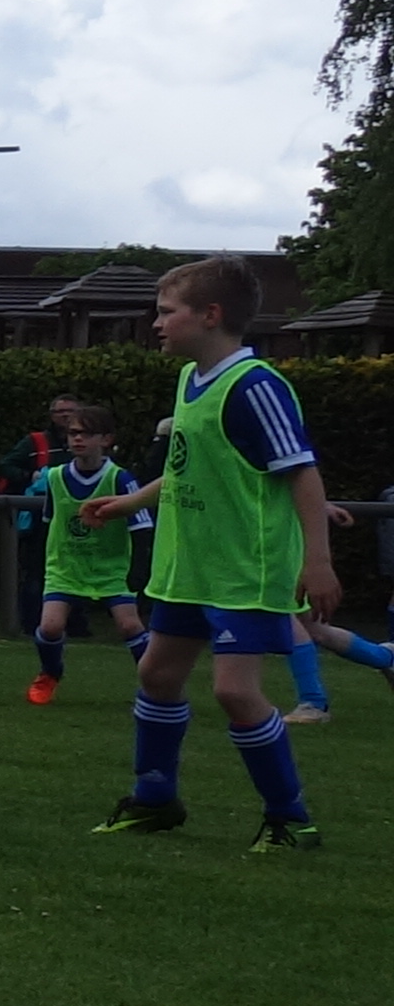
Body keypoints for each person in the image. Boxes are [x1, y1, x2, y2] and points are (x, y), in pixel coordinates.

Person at [95, 258, 340, 846]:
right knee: (157, 673)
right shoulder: (190, 379)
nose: (157, 324)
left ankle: (291, 818)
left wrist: (318, 560)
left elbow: (301, 472)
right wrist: (131, 503)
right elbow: (191, 468)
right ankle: (156, 799)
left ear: (210, 315)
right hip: (190, 565)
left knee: (233, 689)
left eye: (166, 312)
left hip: (244, 569)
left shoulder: (255, 386)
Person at [19, 394, 151, 707]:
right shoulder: (56, 477)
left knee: (129, 625)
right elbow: (50, 520)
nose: (77, 439)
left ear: (106, 440)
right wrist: (39, 561)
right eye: (73, 433)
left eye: (86, 433)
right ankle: (50, 672)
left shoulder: (120, 479)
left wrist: (139, 570)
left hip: (111, 566)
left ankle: (155, 683)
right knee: (50, 626)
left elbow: (142, 525)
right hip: (67, 565)